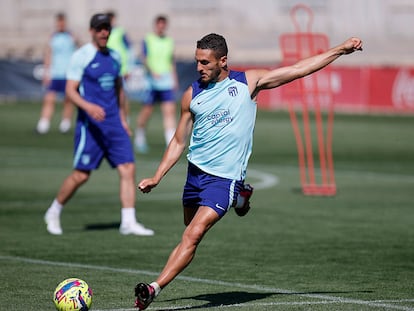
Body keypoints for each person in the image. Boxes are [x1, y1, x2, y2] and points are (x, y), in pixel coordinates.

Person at [132, 33, 363, 309]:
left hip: (224, 178)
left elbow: (299, 69)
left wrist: (340, 50)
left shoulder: (248, 83)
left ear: (223, 61)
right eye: (197, 62)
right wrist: (158, 177)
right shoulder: (191, 94)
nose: (198, 68)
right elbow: (180, 141)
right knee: (188, 225)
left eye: (205, 62)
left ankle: (153, 288)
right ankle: (242, 197)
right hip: (195, 174)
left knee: (193, 235)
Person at [43, 13, 154, 236]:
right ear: (92, 31)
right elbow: (70, 91)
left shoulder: (115, 56)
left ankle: (128, 221)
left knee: (128, 168)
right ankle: (54, 211)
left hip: (114, 122)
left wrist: (124, 118)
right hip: (90, 125)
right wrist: (89, 107)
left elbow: (119, 89)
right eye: (100, 28)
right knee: (81, 175)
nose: (104, 32)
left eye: (107, 28)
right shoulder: (81, 56)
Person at [134, 15, 178, 153]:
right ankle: (139, 137)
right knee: (147, 111)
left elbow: (171, 61)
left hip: (165, 81)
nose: (161, 27)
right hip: (151, 82)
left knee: (169, 111)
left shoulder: (169, 41)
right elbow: (144, 57)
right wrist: (152, 71)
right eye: (159, 24)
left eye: (163, 24)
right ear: (155, 25)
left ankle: (170, 142)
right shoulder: (148, 39)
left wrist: (174, 78)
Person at [36, 12, 78, 134]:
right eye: (58, 22)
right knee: (49, 98)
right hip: (55, 73)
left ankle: (65, 123)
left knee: (68, 99)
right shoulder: (53, 37)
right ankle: (43, 124)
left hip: (68, 73)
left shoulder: (71, 36)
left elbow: (78, 52)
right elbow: (48, 54)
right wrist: (46, 72)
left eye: (62, 22)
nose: (60, 24)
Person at [106, 11, 134, 120]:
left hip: (120, 69)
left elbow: (129, 50)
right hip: (108, 68)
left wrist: (128, 68)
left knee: (122, 95)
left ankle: (125, 117)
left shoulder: (120, 32)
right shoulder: (104, 32)